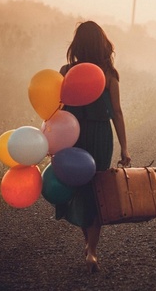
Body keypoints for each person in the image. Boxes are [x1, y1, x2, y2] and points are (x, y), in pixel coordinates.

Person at [55, 21, 131, 273]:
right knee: (97, 191)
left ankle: (87, 243)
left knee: (80, 190)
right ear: (102, 44)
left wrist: (49, 140)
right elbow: (117, 113)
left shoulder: (66, 71)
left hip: (72, 136)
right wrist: (124, 149)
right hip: (100, 137)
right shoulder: (109, 75)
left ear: (78, 44)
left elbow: (55, 111)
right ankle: (92, 252)